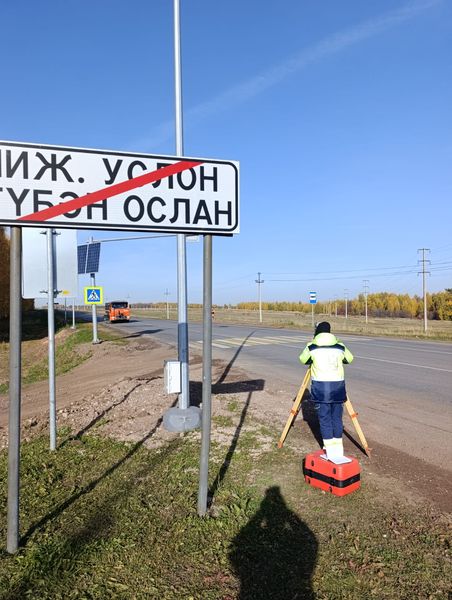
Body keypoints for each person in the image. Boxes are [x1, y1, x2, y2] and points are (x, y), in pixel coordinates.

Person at [299, 321, 353, 462]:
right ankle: (338, 449)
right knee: (337, 418)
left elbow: (303, 359)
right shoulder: (339, 345)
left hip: (321, 389)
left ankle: (330, 450)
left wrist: (312, 344)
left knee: (324, 419)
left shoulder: (312, 346)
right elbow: (349, 358)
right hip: (338, 388)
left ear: (317, 332)